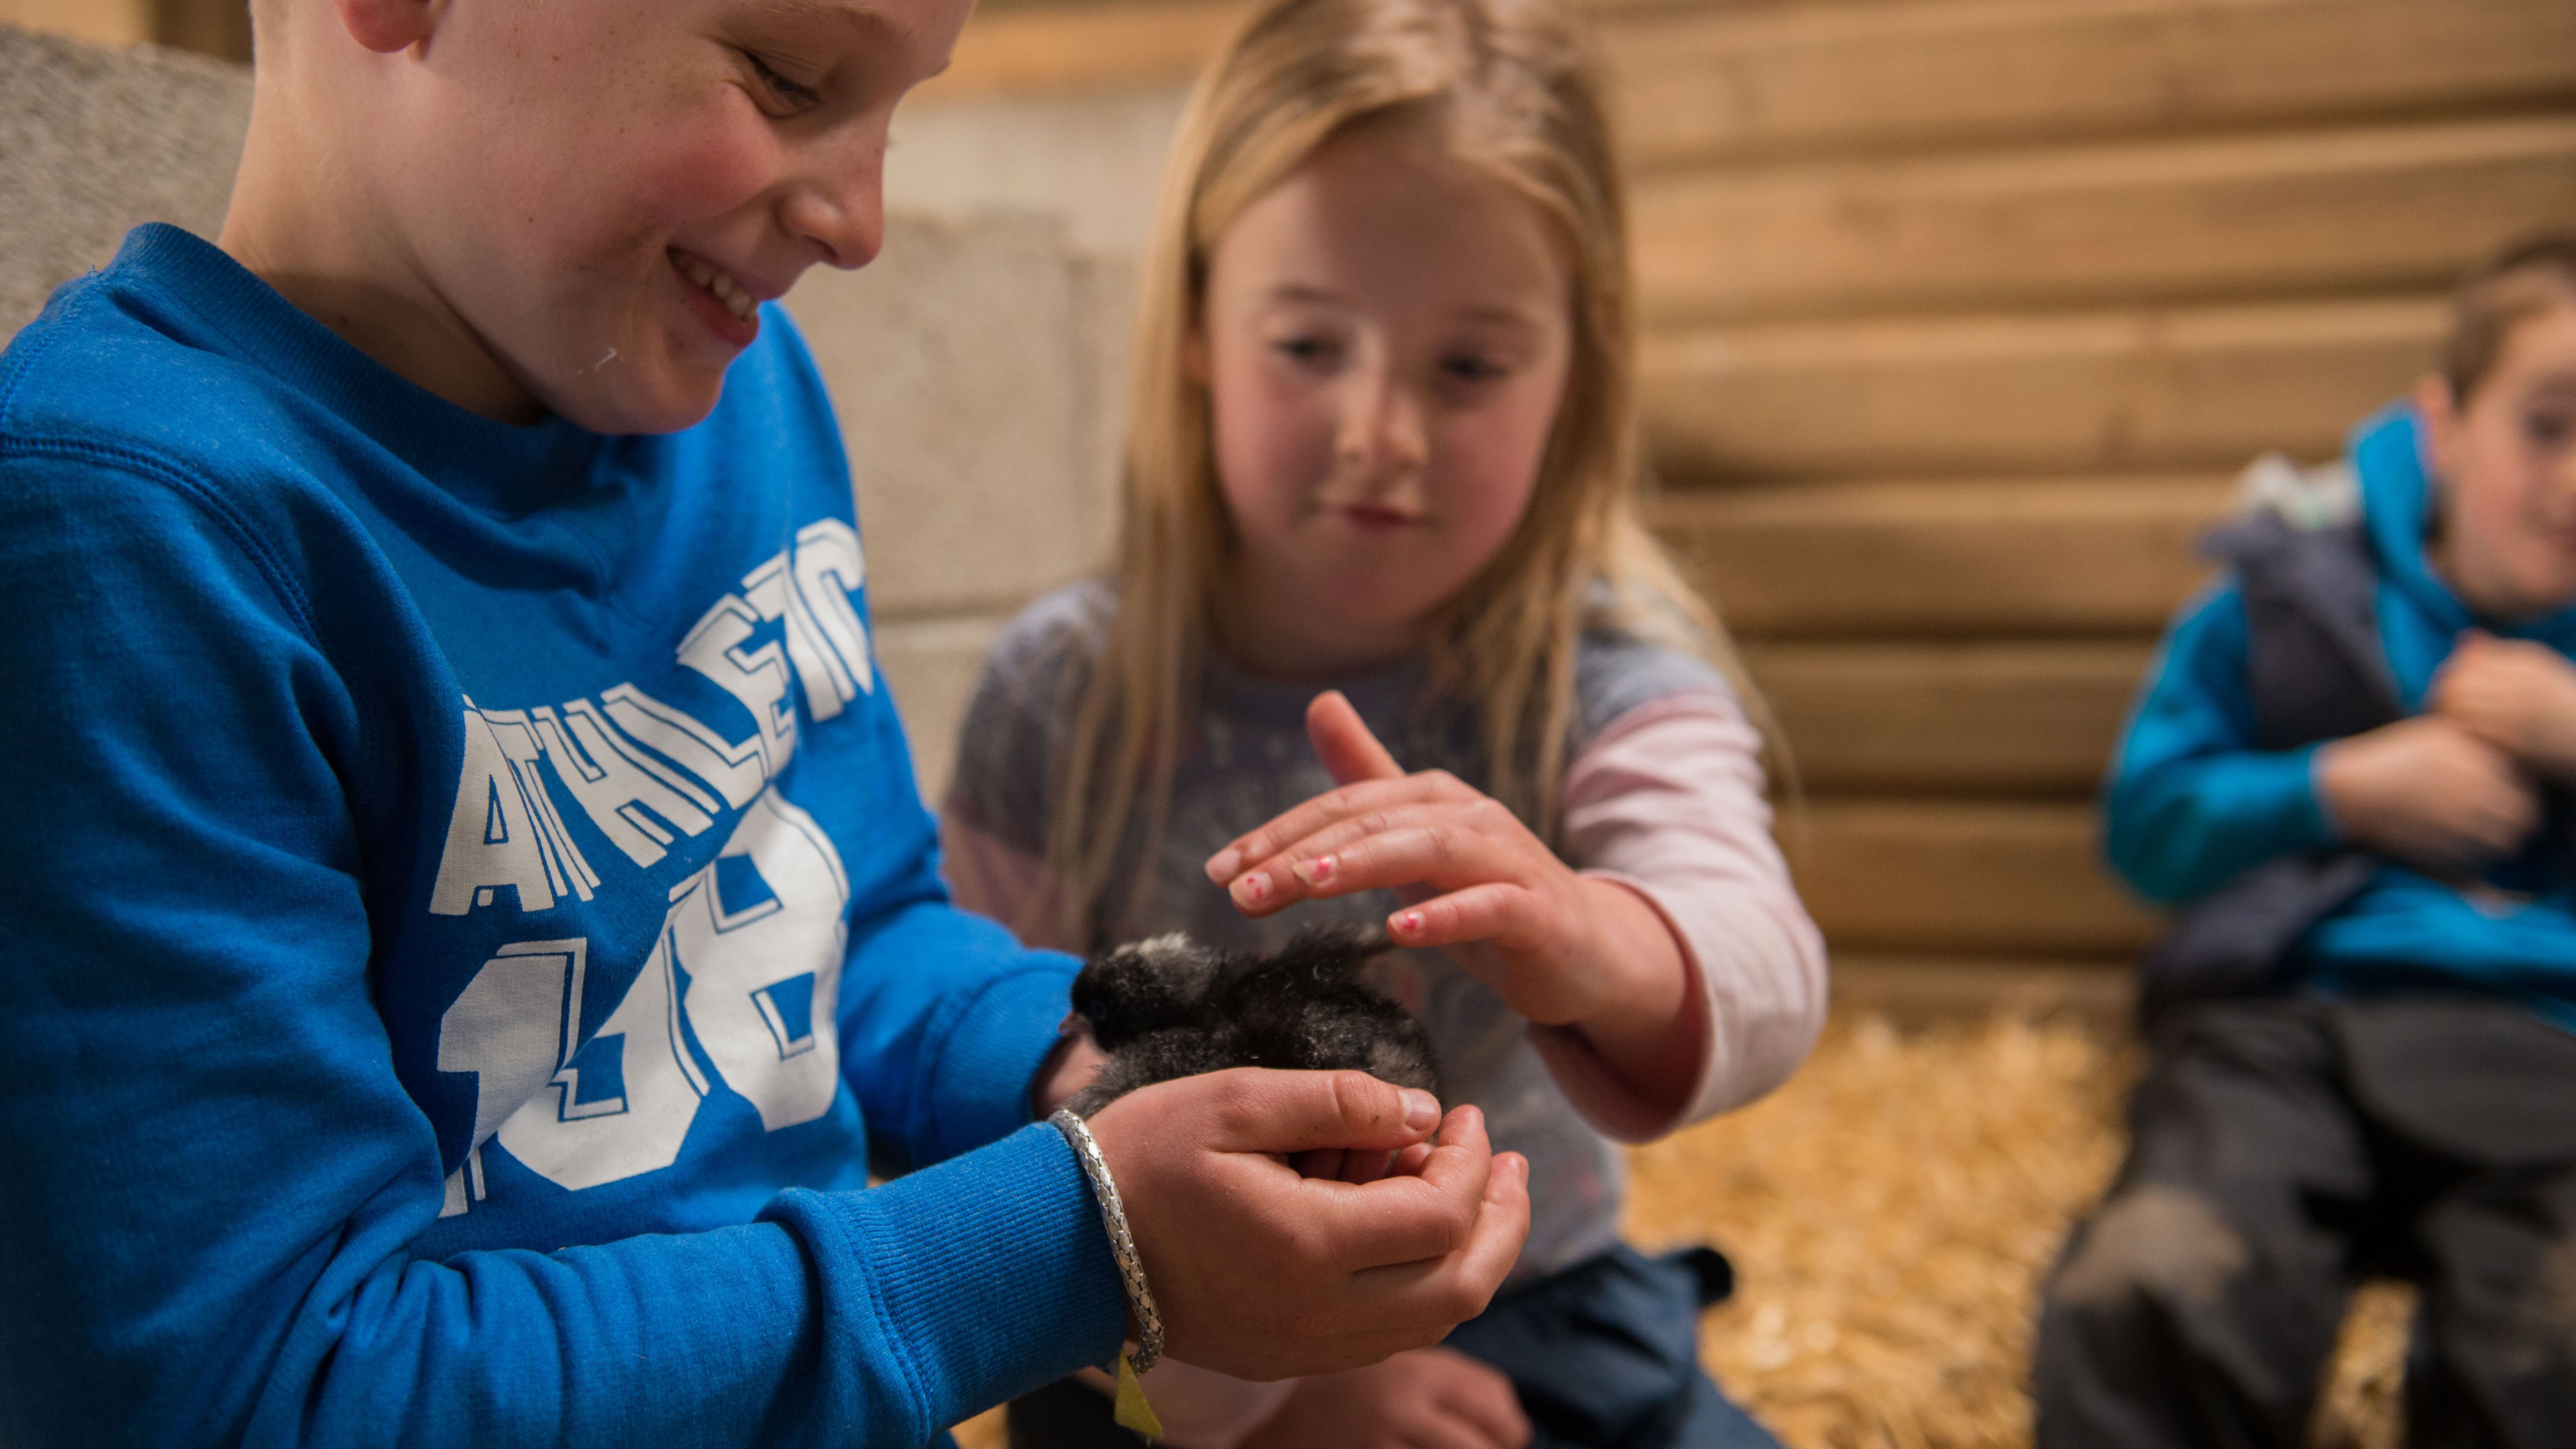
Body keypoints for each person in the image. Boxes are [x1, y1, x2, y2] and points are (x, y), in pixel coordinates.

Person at [0, 0, 1538, 1440]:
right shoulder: (131, 534)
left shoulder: (740, 396)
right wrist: (1079, 1244)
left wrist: (1089, 1068)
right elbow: (261, 1382)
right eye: (790, 76)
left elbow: (844, 934)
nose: (858, 225)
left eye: (895, 113)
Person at [938, 0, 1826, 1443]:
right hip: (1147, 1336)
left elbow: (1765, 963)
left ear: (1573, 376)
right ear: (1198, 331)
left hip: (1537, 1311)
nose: (1379, 434)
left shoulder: (1605, 679)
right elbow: (973, 1076)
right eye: (1307, 344)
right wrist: (1285, 1397)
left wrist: (1583, 931)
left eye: (1466, 367)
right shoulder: (1062, 694)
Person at [2034, 235, 2576, 1448]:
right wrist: (2338, 789)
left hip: (2553, 1053)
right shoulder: (2282, 593)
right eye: (2547, 426)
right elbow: (2146, 833)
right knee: (2158, 1275)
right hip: (2292, 1028)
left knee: (2554, 1345)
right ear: (2440, 425)